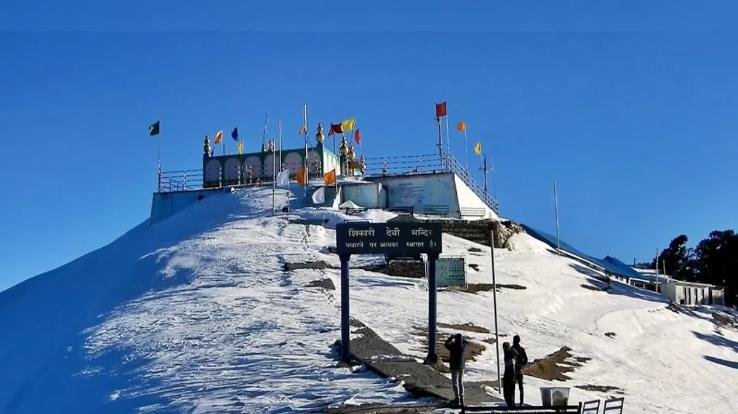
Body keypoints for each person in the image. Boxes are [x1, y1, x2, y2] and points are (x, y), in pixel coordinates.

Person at [444, 333, 469, 407]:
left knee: (455, 383)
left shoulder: (453, 346)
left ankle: (457, 398)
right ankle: (462, 397)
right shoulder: (463, 346)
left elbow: (446, 344)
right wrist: (462, 338)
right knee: (461, 381)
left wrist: (451, 338)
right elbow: (467, 342)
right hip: (461, 366)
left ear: (456, 339)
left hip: (454, 366)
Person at [512, 335, 528, 406]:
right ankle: (521, 402)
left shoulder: (511, 349)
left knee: (512, 387)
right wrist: (522, 366)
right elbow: (526, 359)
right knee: (520, 387)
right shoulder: (521, 349)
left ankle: (513, 402)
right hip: (520, 370)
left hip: (513, 370)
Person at [502, 342, 519, 408]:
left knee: (510, 390)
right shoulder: (507, 352)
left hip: (511, 373)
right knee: (508, 390)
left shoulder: (510, 352)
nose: (504, 349)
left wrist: (511, 349)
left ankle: (511, 404)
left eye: (505, 347)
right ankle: (510, 404)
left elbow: (516, 354)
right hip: (508, 372)